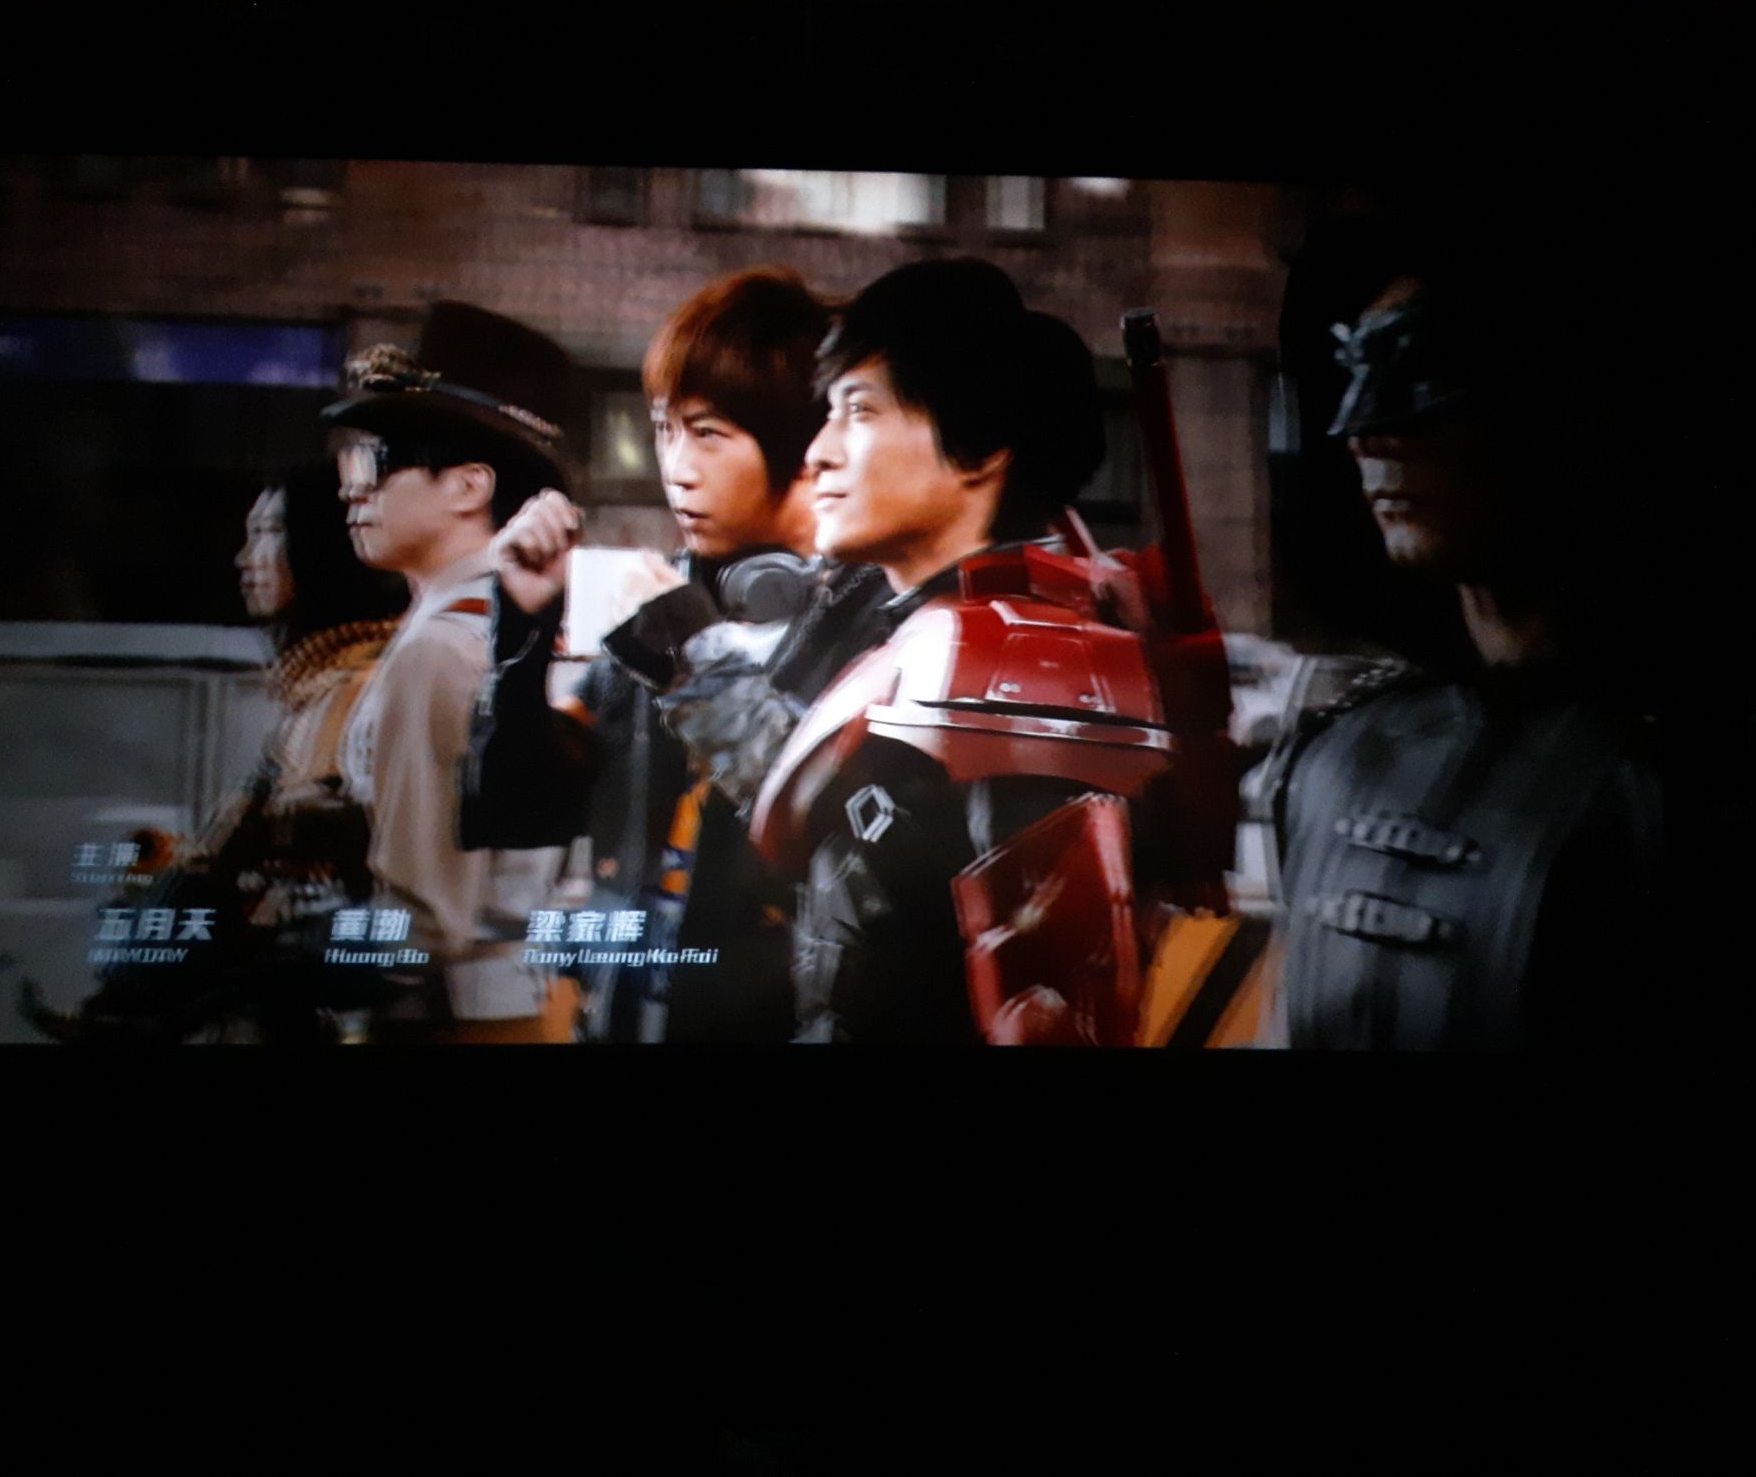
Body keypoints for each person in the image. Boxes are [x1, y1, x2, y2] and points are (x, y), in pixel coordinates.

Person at [746, 258, 1241, 1044]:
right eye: (828, 414)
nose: (819, 454)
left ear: (978, 449)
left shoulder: (1016, 669)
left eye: (860, 411)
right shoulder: (907, 628)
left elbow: (1046, 1010)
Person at [1259, 211, 1664, 1050]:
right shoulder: (1341, 753)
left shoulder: (1661, 787)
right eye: (1357, 372)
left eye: (1425, 374)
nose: (1366, 431)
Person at [470, 267, 875, 1042]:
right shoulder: (665, 602)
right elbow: (520, 808)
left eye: (707, 433)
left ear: (805, 443)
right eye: (664, 429)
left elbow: (832, 835)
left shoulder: (873, 616)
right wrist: (521, 632)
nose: (677, 468)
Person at [21, 466, 406, 1043]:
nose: (245, 559)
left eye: (268, 534)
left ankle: (124, 1016)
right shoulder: (315, 686)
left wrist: (253, 833)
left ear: (320, 548)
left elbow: (353, 834)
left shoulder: (359, 686)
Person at [324, 300, 582, 1043]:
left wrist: (289, 956)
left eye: (374, 463)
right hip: (526, 1010)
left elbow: (427, 922)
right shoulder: (516, 626)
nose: (351, 490)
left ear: (469, 487)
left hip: (445, 1021)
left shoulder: (439, 647)